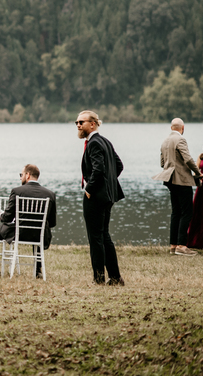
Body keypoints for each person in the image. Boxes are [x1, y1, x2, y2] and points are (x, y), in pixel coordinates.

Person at [77, 109, 124, 285]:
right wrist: (108, 185)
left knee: (95, 238)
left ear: (93, 124)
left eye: (81, 122)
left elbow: (99, 169)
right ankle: (115, 277)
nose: (78, 125)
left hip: (95, 197)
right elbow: (118, 166)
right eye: (77, 123)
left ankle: (99, 279)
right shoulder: (105, 141)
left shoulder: (95, 143)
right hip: (106, 197)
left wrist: (90, 188)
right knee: (104, 236)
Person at [0, 164, 56, 277]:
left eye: (21, 175)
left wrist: (1, 216)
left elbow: (7, 218)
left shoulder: (17, 191)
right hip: (40, 235)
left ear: (27, 175)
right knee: (38, 229)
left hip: (20, 233)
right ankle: (37, 270)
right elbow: (52, 223)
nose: (20, 177)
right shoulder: (50, 194)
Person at [157, 118, 203, 255]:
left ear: (171, 128)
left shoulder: (164, 141)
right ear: (182, 127)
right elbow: (188, 159)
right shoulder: (180, 140)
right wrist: (197, 172)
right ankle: (182, 246)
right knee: (187, 212)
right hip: (181, 180)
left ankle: (173, 245)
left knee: (176, 212)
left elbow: (162, 163)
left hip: (170, 180)